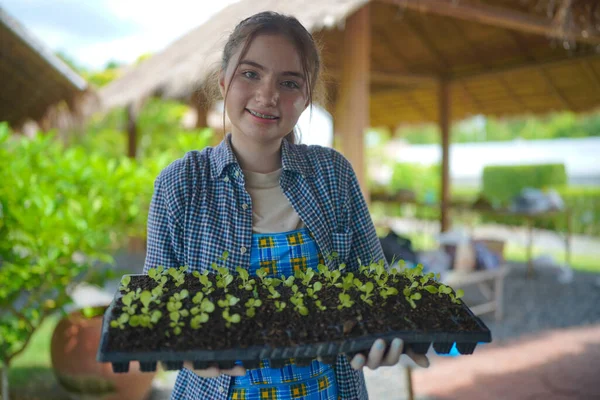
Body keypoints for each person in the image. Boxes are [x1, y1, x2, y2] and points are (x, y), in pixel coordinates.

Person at [143, 11, 429, 400]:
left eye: (289, 82)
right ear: (223, 81)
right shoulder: (182, 185)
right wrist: (182, 349)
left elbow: (373, 289)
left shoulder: (332, 176)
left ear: (306, 98)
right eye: (250, 74)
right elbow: (151, 309)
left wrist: (389, 328)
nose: (268, 94)